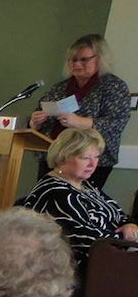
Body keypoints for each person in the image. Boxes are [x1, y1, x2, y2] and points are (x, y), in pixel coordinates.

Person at [21, 128, 137, 285]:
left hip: (113, 258)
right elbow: (89, 241)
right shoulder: (56, 192)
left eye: (96, 157)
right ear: (63, 158)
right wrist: (127, 238)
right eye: (85, 158)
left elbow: (119, 215)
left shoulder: (85, 185)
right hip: (82, 270)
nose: (93, 164)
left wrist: (130, 225)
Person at [29, 34, 131, 187]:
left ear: (100, 58)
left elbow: (116, 123)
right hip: (54, 158)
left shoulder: (113, 87)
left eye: (83, 59)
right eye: (72, 60)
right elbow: (40, 115)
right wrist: (34, 123)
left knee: (78, 204)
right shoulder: (60, 88)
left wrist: (79, 122)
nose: (76, 64)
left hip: (90, 161)